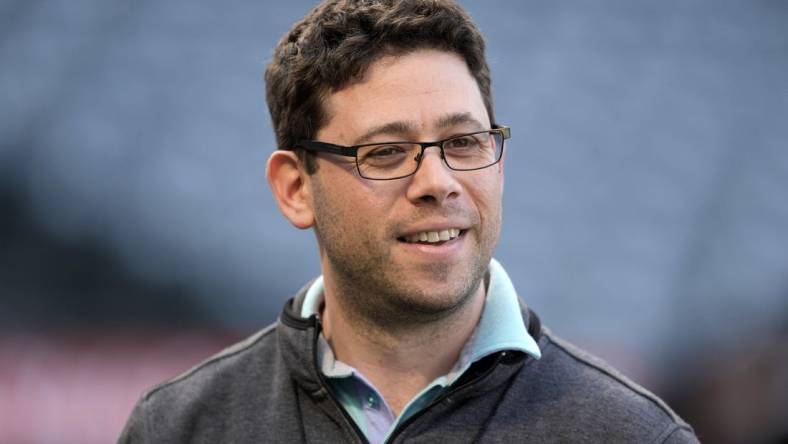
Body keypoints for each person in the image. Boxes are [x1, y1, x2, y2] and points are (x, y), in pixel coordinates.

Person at [120, 1, 698, 442]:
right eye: (386, 152)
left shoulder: (635, 435)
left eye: (465, 142)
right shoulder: (178, 428)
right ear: (297, 189)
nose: (438, 182)